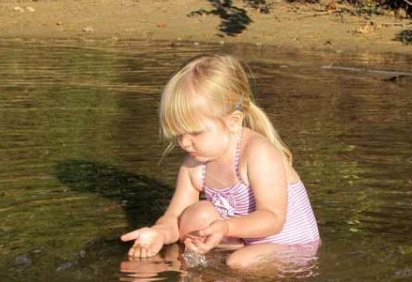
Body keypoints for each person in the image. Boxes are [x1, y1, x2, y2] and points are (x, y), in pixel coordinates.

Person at [120, 54, 320, 268]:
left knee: (240, 262)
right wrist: (159, 233)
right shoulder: (194, 166)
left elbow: (273, 218)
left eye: (195, 133)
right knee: (194, 217)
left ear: (233, 121)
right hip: (246, 243)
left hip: (294, 250)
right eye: (178, 134)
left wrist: (226, 228)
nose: (185, 143)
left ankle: (234, 281)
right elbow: (175, 218)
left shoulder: (257, 153)